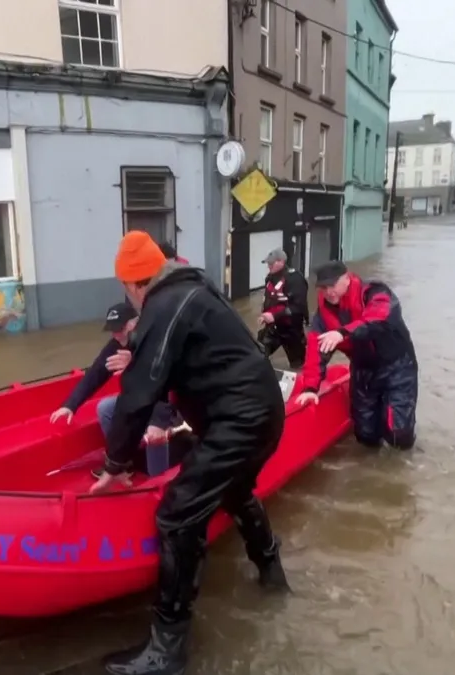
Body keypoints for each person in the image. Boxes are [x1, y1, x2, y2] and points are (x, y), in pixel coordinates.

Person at [92, 231, 289, 675]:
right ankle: (272, 574)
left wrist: (114, 465)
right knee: (235, 491)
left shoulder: (163, 306)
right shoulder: (193, 289)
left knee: (177, 515)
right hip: (261, 411)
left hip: (239, 420)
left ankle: (167, 651)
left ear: (132, 283)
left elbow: (139, 393)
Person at [296, 260, 418, 450]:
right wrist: (310, 388)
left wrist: (343, 333)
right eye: (323, 287)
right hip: (363, 369)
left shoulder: (374, 292)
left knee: (397, 433)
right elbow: (315, 351)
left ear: (346, 278)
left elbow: (379, 319)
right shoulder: (322, 315)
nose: (328, 292)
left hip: (397, 367)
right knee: (365, 435)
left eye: (332, 285)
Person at [49, 302, 176, 476]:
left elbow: (168, 384)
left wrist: (159, 422)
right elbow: (95, 374)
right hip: (141, 397)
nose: (116, 335)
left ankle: (159, 480)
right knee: (105, 408)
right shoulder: (116, 344)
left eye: (120, 329)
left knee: (154, 426)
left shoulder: (156, 340)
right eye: (113, 330)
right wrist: (70, 405)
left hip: (172, 400)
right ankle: (124, 461)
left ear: (135, 323)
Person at [256, 248, 309, 369]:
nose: (268, 266)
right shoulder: (269, 278)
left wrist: (274, 316)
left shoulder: (295, 279)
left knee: (298, 366)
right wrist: (265, 315)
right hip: (273, 328)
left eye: (271, 263)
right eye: (267, 263)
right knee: (256, 355)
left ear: (281, 262)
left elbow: (298, 308)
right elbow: (270, 300)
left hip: (291, 330)